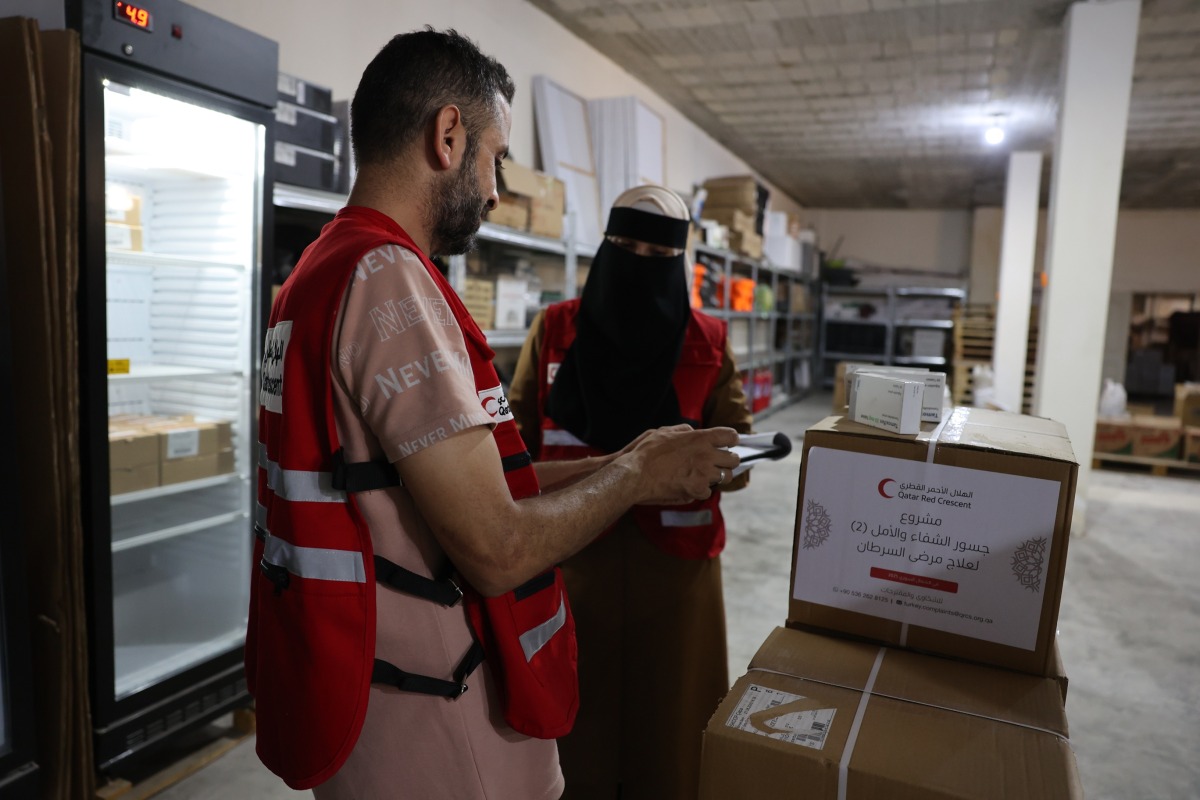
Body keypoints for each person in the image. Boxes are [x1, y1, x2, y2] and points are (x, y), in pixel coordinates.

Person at [245, 29, 740, 800]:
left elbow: (457, 484)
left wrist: (627, 459)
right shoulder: (391, 283)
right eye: (496, 157)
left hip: (361, 683)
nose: (497, 188)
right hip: (431, 712)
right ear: (448, 135)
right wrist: (638, 474)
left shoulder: (317, 270)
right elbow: (498, 546)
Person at [508, 184, 754, 800]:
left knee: (669, 724)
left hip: (675, 577)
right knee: (572, 723)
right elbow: (511, 440)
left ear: (677, 264)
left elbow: (742, 446)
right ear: (604, 247)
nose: (638, 260)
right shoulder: (556, 329)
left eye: (656, 252)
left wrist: (718, 463)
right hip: (570, 557)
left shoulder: (708, 342)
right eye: (625, 245)